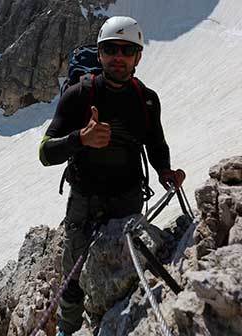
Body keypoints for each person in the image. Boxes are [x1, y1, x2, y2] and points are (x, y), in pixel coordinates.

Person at [39, 16, 184, 336]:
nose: (119, 56)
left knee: (126, 269)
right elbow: (45, 152)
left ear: (138, 57)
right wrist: (80, 139)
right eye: (110, 49)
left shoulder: (147, 100)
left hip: (128, 199)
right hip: (85, 201)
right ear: (100, 54)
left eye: (127, 50)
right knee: (73, 275)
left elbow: (156, 143)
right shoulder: (78, 95)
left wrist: (164, 172)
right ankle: (68, 328)